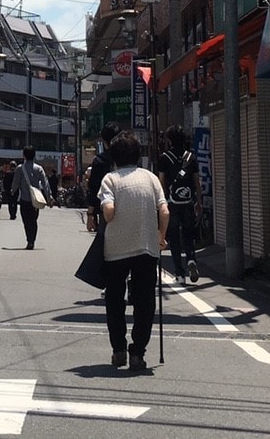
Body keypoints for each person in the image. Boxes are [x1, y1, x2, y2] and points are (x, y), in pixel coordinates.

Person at [98, 130, 169, 371]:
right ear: (138, 156)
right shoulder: (150, 178)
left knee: (115, 299)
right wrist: (161, 237)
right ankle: (138, 352)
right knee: (145, 300)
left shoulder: (110, 179)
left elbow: (108, 211)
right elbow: (165, 211)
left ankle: (119, 350)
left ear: (114, 157)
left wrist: (107, 209)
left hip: (116, 249)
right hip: (146, 247)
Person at [157, 125, 202, 283]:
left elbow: (161, 182)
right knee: (188, 235)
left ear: (169, 140)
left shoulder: (164, 158)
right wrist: (199, 203)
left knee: (174, 238)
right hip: (188, 201)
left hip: (171, 203)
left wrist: (161, 202)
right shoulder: (191, 157)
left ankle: (180, 274)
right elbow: (197, 182)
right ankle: (191, 259)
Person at [11, 146, 50, 250]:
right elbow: (45, 184)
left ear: (24, 155)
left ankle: (29, 240)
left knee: (26, 221)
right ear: (34, 155)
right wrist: (49, 197)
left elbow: (16, 183)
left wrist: (13, 191)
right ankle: (32, 240)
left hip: (24, 200)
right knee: (33, 220)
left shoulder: (20, 168)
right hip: (36, 201)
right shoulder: (39, 168)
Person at [86, 123, 120, 233]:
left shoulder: (99, 160)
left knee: (105, 241)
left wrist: (90, 213)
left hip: (106, 207)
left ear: (104, 140)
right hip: (128, 205)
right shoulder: (128, 157)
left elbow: (94, 187)